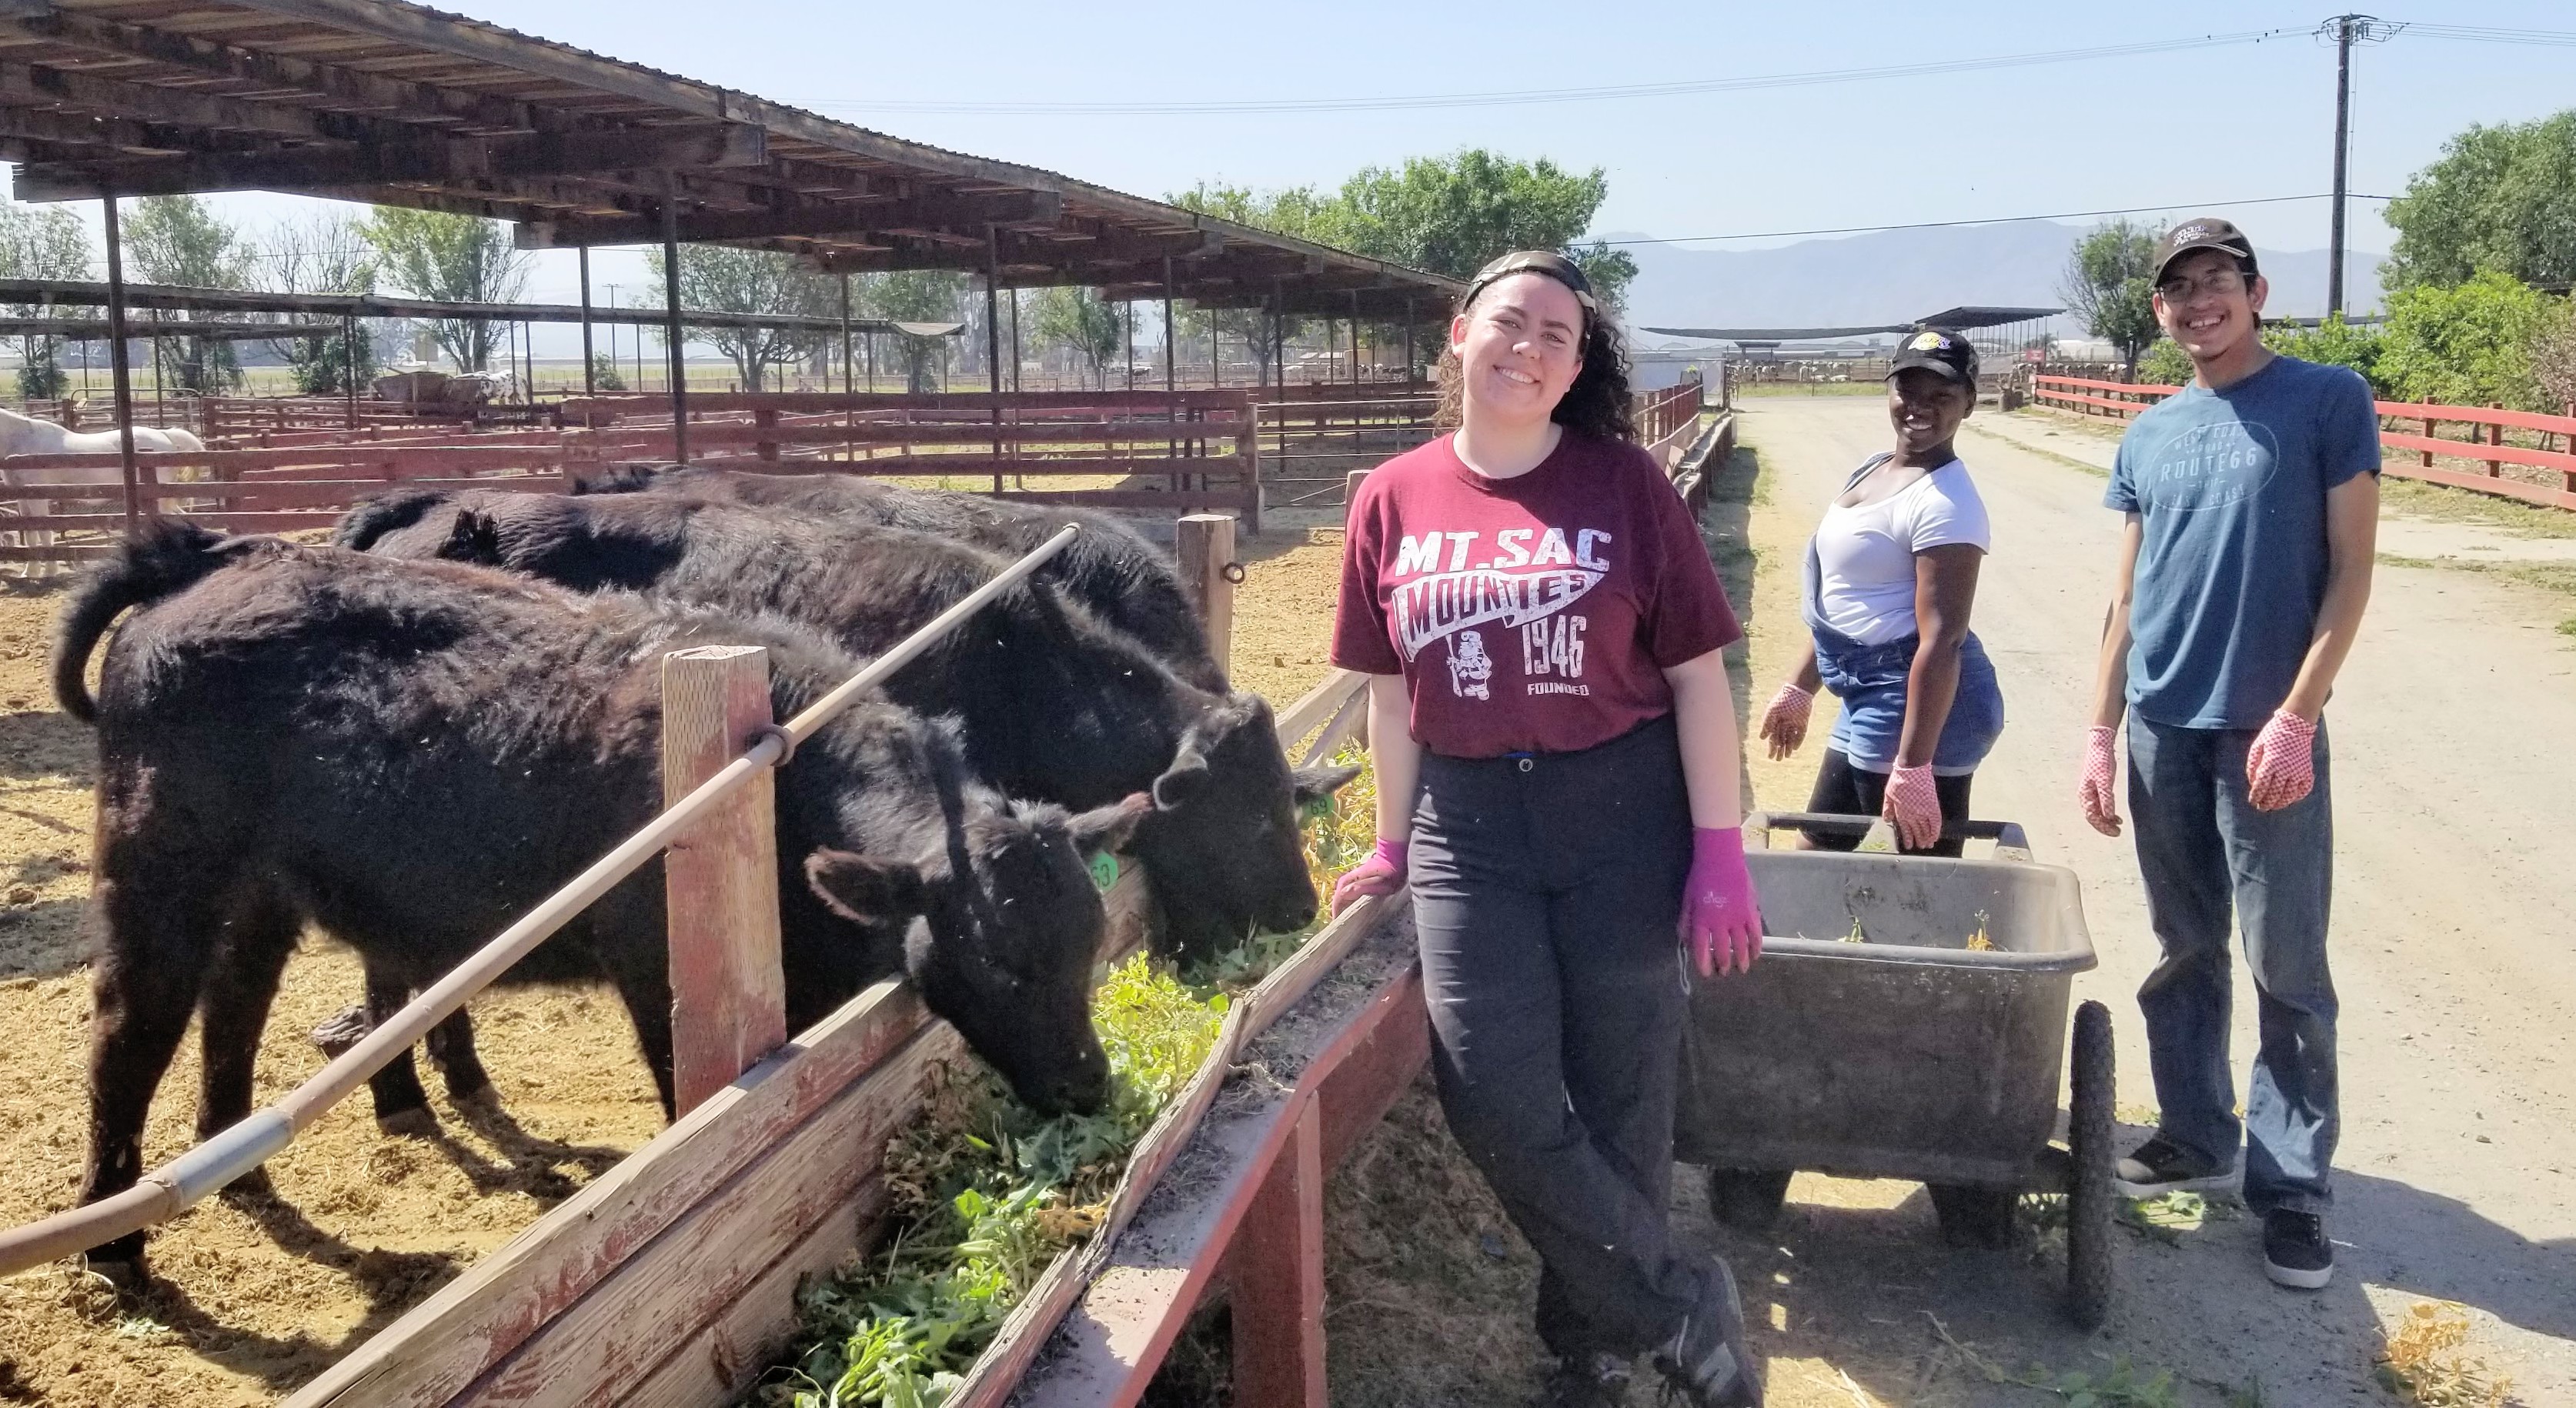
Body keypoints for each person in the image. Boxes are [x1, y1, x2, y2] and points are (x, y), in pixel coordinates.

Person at [1328, 250, 1765, 1408]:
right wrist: (1388, 838)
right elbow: (1386, 693)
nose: (1526, 348)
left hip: (1622, 810)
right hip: (1468, 830)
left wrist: (1717, 853)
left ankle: (1592, 1350)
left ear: (1576, 369)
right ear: (1458, 334)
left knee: (1622, 1090)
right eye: (1508, 324)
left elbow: (1696, 676)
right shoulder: (1389, 496)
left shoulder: (1623, 485)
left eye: (1556, 337)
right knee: (1492, 1094)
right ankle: (1678, 1302)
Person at [2079, 217, 2378, 1291]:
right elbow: (2125, 595)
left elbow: (2349, 571)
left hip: (2265, 730)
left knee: (2286, 962)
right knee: (2181, 945)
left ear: (2253, 291)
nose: (2195, 302)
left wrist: (2300, 711)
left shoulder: (2324, 400)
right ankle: (2195, 1133)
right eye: (2175, 290)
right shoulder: (2150, 432)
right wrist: (2098, 730)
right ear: (2157, 312)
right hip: (2162, 724)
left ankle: (2292, 1187)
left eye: (2214, 282)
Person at [1756, 328, 2004, 854]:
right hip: (1865, 688)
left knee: (1920, 879)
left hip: (1915, 700)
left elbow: (1943, 641)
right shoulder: (1872, 469)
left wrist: (1914, 765)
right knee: (1818, 847)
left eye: (1941, 397)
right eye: (1908, 392)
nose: (1919, 408)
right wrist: (1801, 687)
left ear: (1969, 405)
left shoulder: (1946, 504)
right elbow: (1848, 601)